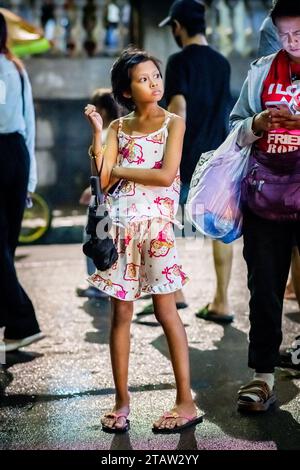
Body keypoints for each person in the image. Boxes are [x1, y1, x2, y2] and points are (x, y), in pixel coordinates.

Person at [84, 47, 202, 433]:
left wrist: (117, 167)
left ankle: (186, 401)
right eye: (143, 79)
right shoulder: (118, 128)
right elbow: (102, 182)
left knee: (167, 312)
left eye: (156, 76)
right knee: (120, 314)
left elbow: (167, 175)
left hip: (156, 230)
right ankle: (122, 401)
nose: (153, 84)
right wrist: (99, 136)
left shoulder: (174, 123)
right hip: (118, 228)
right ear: (126, 90)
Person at [229, 0, 300, 411]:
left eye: (299, 35)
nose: (291, 43)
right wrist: (255, 125)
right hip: (266, 194)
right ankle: (262, 376)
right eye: (284, 35)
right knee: (265, 289)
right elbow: (233, 124)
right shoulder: (260, 72)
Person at [155, 0, 234, 324]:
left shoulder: (178, 62)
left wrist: (166, 153)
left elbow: (179, 107)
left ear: (177, 27)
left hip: (187, 155)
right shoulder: (222, 62)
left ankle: (175, 293)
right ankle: (222, 302)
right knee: (221, 228)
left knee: (164, 221)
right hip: (219, 154)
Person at [0, 13, 44, 353]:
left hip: (5, 152)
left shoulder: (7, 70)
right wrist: (29, 178)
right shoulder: (15, 69)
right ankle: (13, 323)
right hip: (16, 154)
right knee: (5, 246)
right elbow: (28, 124)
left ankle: (21, 320)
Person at [77, 88, 122, 300]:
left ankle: (98, 284)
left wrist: (92, 190)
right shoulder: (121, 131)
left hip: (102, 199)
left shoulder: (103, 135)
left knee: (93, 238)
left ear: (101, 111)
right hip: (118, 199)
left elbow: (101, 172)